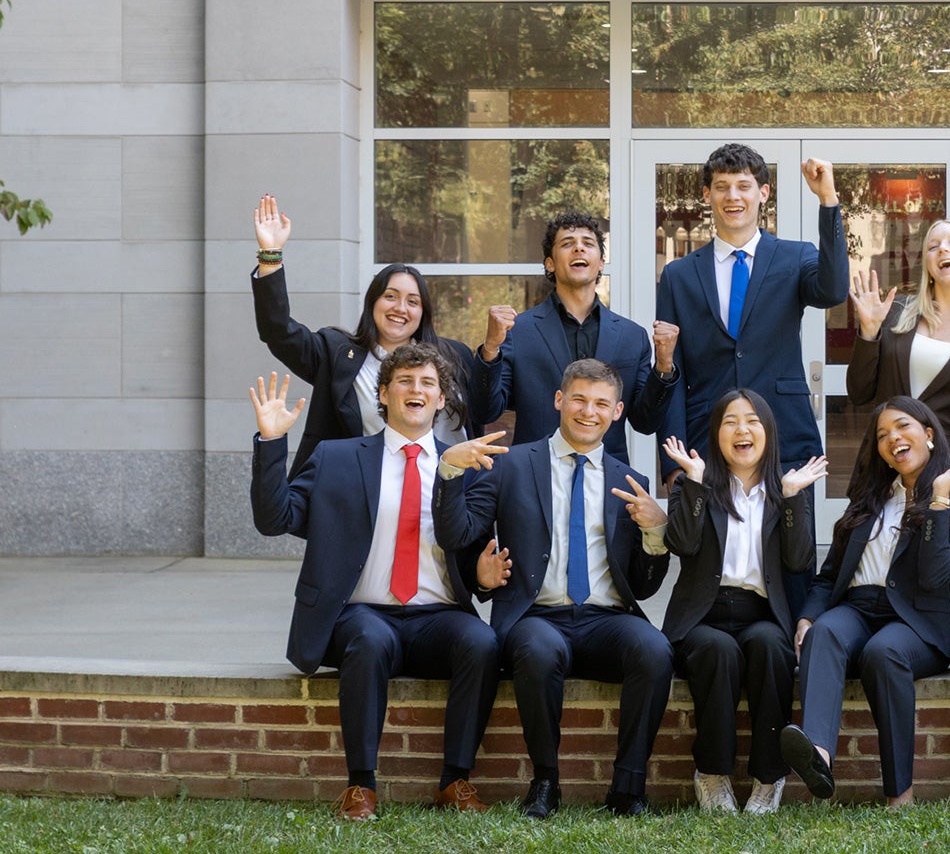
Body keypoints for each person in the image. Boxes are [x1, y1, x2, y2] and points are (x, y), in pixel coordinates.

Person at [247, 343, 510, 821]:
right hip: (362, 613)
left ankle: (455, 780)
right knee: (368, 640)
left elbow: (470, 550)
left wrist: (483, 578)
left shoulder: (466, 466)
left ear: (441, 398)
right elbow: (276, 518)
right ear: (383, 394)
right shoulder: (337, 457)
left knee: (482, 642)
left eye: (428, 383)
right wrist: (270, 443)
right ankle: (361, 787)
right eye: (405, 381)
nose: (417, 390)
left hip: (438, 615)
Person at [432, 358, 674, 819]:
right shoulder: (512, 466)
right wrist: (449, 475)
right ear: (559, 401)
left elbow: (642, 587)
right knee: (539, 652)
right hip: (537, 616)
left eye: (602, 403)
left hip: (608, 619)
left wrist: (657, 533)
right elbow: (460, 534)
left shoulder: (631, 483)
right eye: (579, 399)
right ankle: (546, 781)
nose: (589, 411)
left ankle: (628, 789)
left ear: (618, 411)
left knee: (655, 651)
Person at [656, 144, 850, 611]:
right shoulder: (680, 275)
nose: (733, 196)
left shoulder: (794, 256)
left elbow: (833, 288)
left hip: (784, 429)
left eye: (744, 186)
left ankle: (795, 650)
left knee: (792, 555)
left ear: (764, 193)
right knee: (708, 557)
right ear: (707, 194)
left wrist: (828, 202)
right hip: (708, 437)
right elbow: (672, 368)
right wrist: (671, 460)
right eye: (722, 187)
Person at [779, 398, 950, 807]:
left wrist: (937, 500)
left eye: (902, 427)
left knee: (883, 652)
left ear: (928, 433)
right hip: (856, 607)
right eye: (882, 435)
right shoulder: (868, 501)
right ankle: (818, 756)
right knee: (824, 633)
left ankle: (899, 793)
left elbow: (935, 578)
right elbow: (830, 575)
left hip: (915, 623)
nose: (892, 439)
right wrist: (807, 617)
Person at [660, 391, 826, 814]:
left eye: (752, 421)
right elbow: (682, 543)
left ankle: (769, 777)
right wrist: (694, 482)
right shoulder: (692, 484)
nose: (741, 430)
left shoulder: (786, 490)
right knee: (719, 652)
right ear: (716, 434)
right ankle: (712, 775)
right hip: (703, 615)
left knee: (772, 648)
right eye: (730, 422)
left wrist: (791, 498)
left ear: (768, 433)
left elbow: (799, 559)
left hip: (760, 613)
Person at [252, 194, 480, 476]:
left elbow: (485, 408)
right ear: (373, 303)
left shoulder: (454, 356)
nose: (400, 308)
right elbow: (278, 332)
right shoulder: (336, 353)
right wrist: (270, 256)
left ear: (424, 312)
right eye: (390, 296)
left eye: (412, 301)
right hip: (363, 492)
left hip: (444, 489)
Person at [478, 211, 679, 458]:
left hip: (609, 481)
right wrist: (490, 349)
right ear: (549, 263)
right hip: (534, 476)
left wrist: (664, 366)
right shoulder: (519, 331)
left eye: (587, 243)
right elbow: (487, 411)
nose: (579, 249)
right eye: (567, 243)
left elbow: (645, 423)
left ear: (601, 262)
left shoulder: (632, 336)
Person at [847, 219, 950, 470]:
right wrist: (869, 332)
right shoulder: (896, 313)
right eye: (933, 246)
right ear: (927, 263)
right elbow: (859, 392)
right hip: (885, 465)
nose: (943, 250)